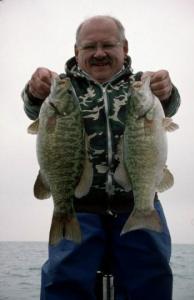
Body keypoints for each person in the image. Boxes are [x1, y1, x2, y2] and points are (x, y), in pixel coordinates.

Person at [22, 15, 180, 300]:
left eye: (108, 45)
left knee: (150, 284)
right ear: (76, 51)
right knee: (64, 286)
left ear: (125, 48)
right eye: (89, 46)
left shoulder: (140, 85)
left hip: (139, 202)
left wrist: (166, 91)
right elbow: (35, 110)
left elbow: (169, 102)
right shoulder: (64, 88)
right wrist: (34, 93)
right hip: (78, 207)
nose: (99, 53)